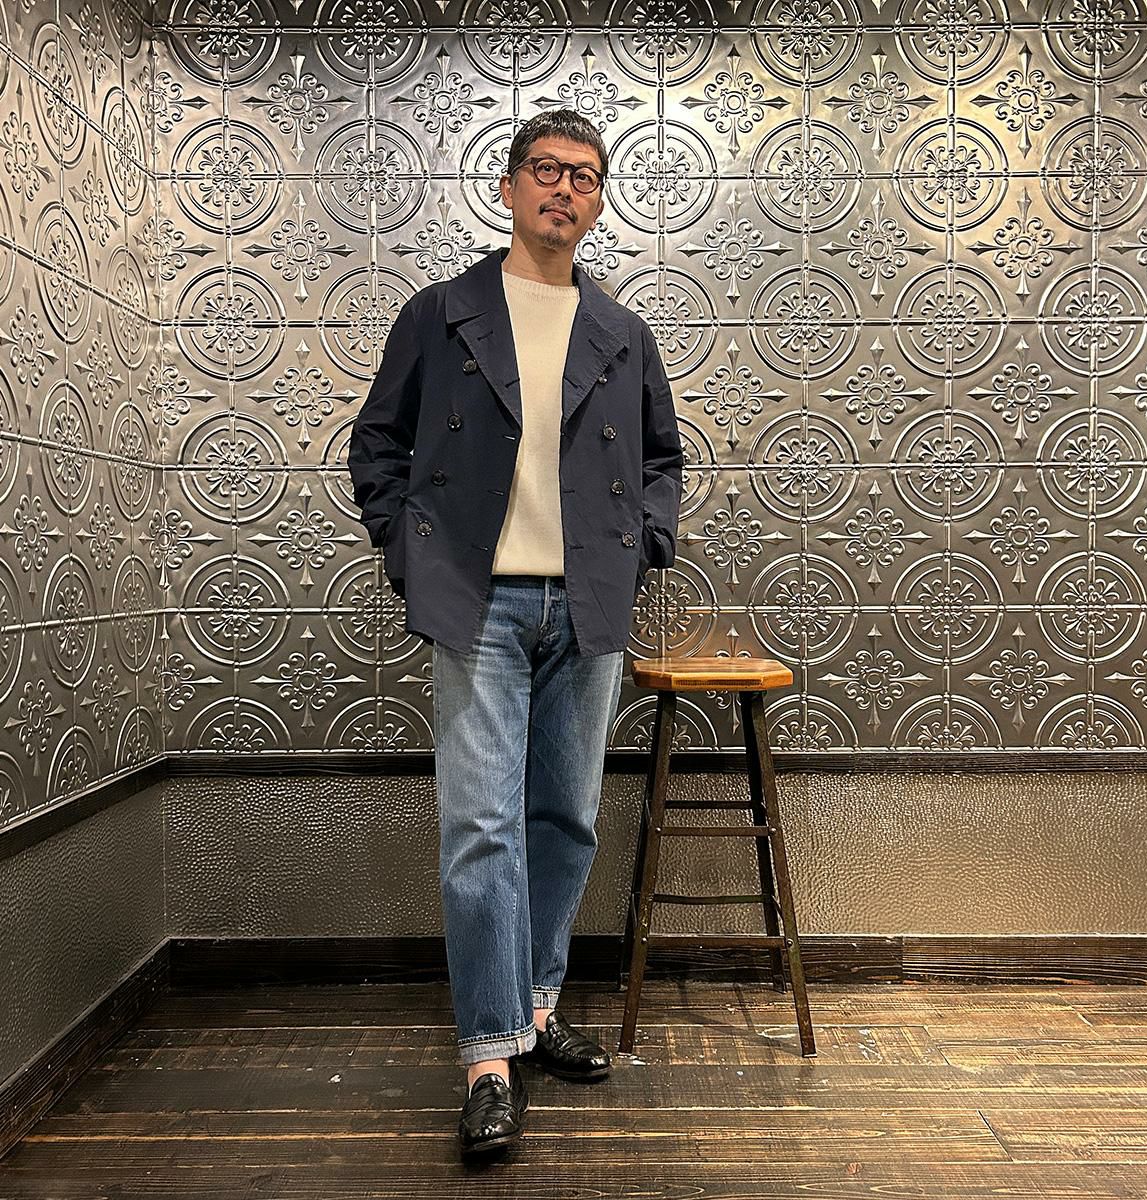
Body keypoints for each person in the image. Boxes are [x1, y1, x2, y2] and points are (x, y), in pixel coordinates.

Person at [347, 107, 683, 1159]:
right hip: (478, 601)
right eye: (546, 169)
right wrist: (409, 548)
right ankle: (489, 1058)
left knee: (565, 818)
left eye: (584, 175)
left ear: (600, 200)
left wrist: (645, 543)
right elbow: (377, 443)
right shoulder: (442, 314)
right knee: (482, 825)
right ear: (507, 186)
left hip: (588, 602)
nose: (563, 188)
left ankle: (536, 1009)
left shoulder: (621, 331)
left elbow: (663, 459)